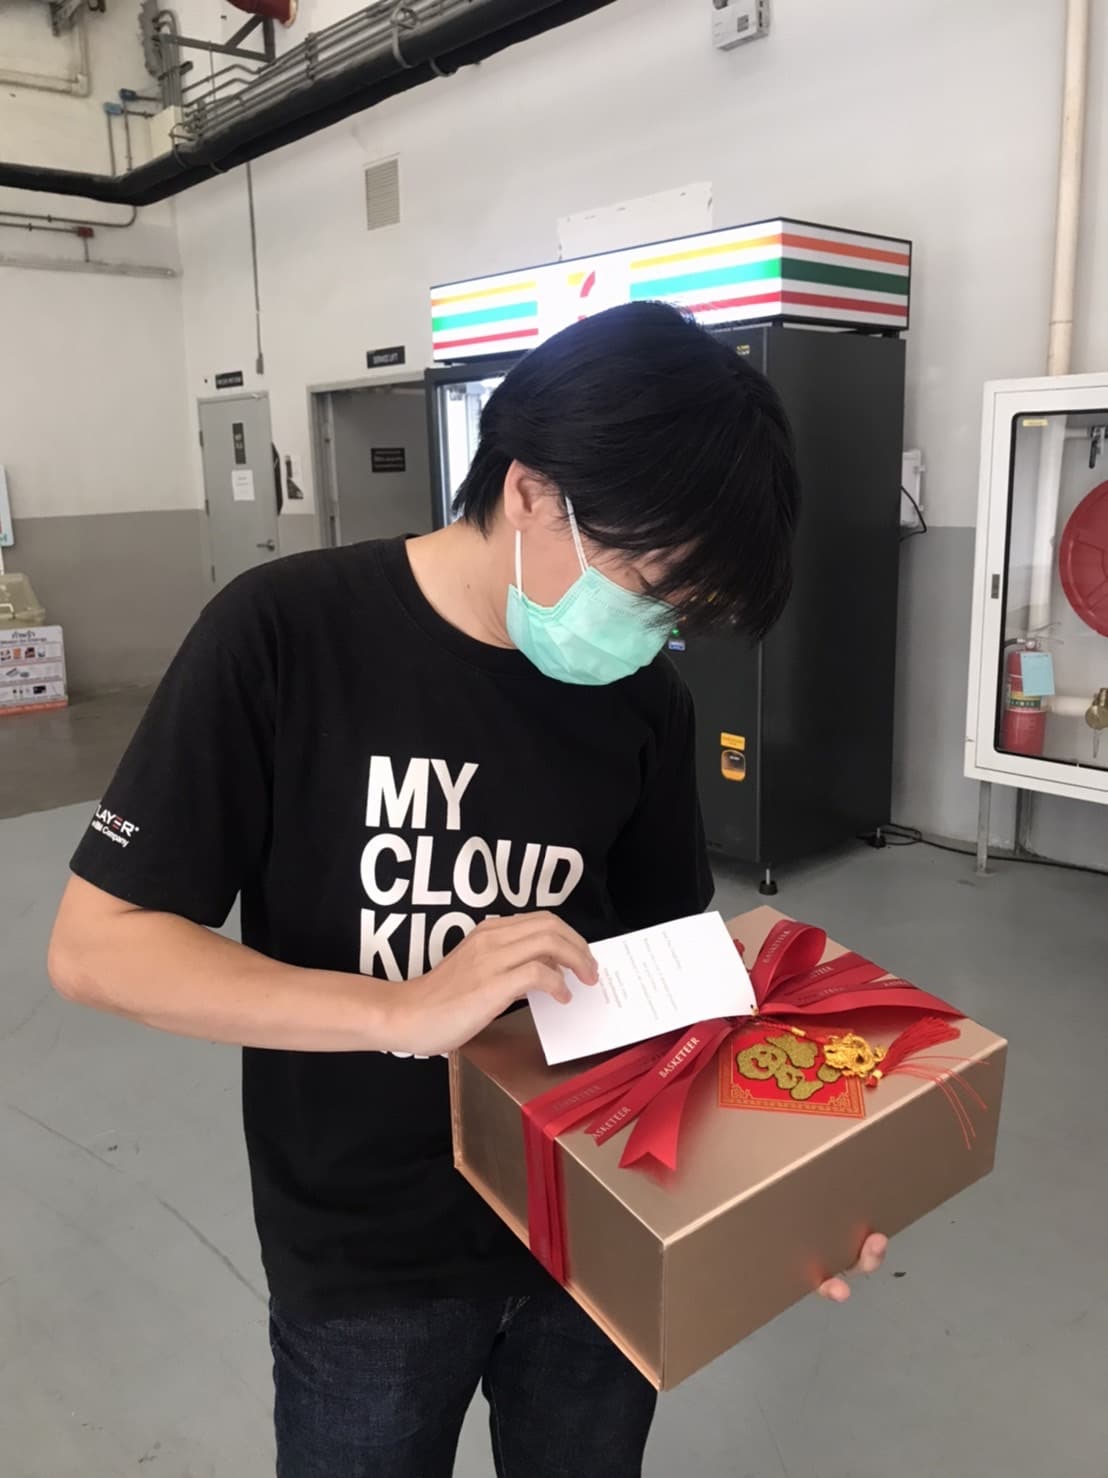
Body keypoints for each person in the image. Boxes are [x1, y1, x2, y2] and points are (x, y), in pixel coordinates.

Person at [49, 301, 886, 1478]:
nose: (652, 627)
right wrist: (397, 1011)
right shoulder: (284, 635)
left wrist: (769, 1186)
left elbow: (665, 973)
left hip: (591, 1230)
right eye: (650, 579)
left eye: (682, 611)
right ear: (535, 490)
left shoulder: (643, 697)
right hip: (371, 1258)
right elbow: (100, 945)